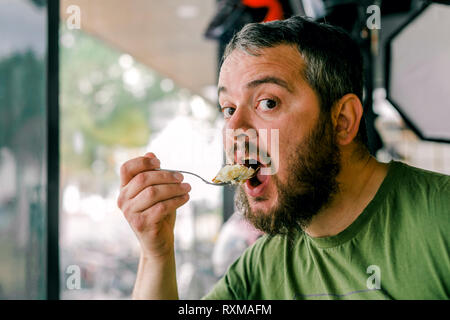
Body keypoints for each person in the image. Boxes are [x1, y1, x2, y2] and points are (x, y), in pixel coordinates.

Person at [117, 16, 449, 299]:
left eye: (267, 103)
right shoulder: (260, 267)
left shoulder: (440, 219)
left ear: (342, 120)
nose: (234, 128)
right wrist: (156, 252)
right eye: (228, 109)